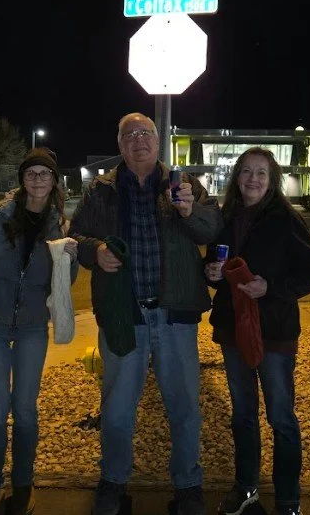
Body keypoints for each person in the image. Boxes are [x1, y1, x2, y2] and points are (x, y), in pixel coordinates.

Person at [68, 112, 223, 515]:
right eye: (130, 134)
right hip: (124, 315)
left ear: (158, 140)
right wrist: (95, 251)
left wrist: (189, 212)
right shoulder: (100, 190)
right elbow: (75, 236)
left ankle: (188, 487)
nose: (139, 139)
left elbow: (211, 229)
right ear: (120, 144)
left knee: (184, 406)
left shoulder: (183, 184)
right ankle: (113, 482)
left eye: (146, 132)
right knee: (117, 407)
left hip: (175, 315)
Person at [0, 148, 78, 515]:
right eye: (31, 173)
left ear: (54, 181)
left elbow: (63, 283)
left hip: (31, 327)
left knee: (24, 409)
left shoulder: (60, 225)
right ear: (22, 179)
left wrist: (69, 260)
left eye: (45, 173)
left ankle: (23, 483)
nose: (38, 179)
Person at [204, 147, 310, 515]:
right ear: (236, 177)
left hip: (274, 330)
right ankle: (246, 489)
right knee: (242, 414)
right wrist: (210, 272)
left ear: (272, 180)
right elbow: (214, 264)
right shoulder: (225, 217)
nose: (252, 179)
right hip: (232, 329)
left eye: (261, 173)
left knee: (281, 417)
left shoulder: (286, 219)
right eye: (246, 171)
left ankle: (288, 499)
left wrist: (270, 287)